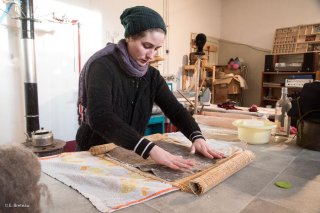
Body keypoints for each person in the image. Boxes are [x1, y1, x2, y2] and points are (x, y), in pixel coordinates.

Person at [76, 6, 224, 170]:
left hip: (128, 151)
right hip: (95, 151)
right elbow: (101, 118)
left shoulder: (151, 76)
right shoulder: (102, 67)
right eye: (147, 46)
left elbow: (175, 110)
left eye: (156, 49)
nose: (151, 55)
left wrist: (197, 137)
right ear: (130, 37)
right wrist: (149, 149)